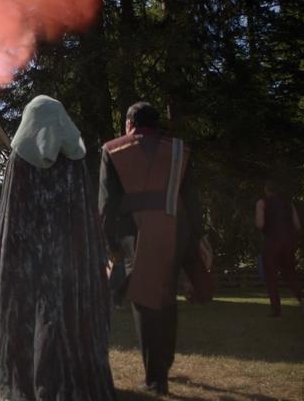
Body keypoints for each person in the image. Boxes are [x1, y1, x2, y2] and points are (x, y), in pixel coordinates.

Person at [0, 95, 116, 400]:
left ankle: (34, 377)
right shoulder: (73, 159)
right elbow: (83, 220)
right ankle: (66, 377)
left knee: (32, 315)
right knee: (62, 315)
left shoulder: (22, 159)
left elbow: (14, 218)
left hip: (29, 260)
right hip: (68, 260)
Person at [98, 101, 210, 396]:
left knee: (145, 303)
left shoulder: (113, 149)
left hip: (135, 234)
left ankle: (155, 378)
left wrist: (110, 242)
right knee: (166, 298)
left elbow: (107, 202)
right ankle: (165, 363)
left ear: (129, 124)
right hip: (175, 232)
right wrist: (197, 236)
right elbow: (191, 197)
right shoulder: (178, 151)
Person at [256, 180, 304, 317]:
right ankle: (302, 298)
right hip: (288, 242)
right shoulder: (289, 203)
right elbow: (297, 225)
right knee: (290, 273)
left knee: (270, 276)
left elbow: (260, 224)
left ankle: (276, 309)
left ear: (266, 190)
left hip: (272, 242)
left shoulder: (262, 202)